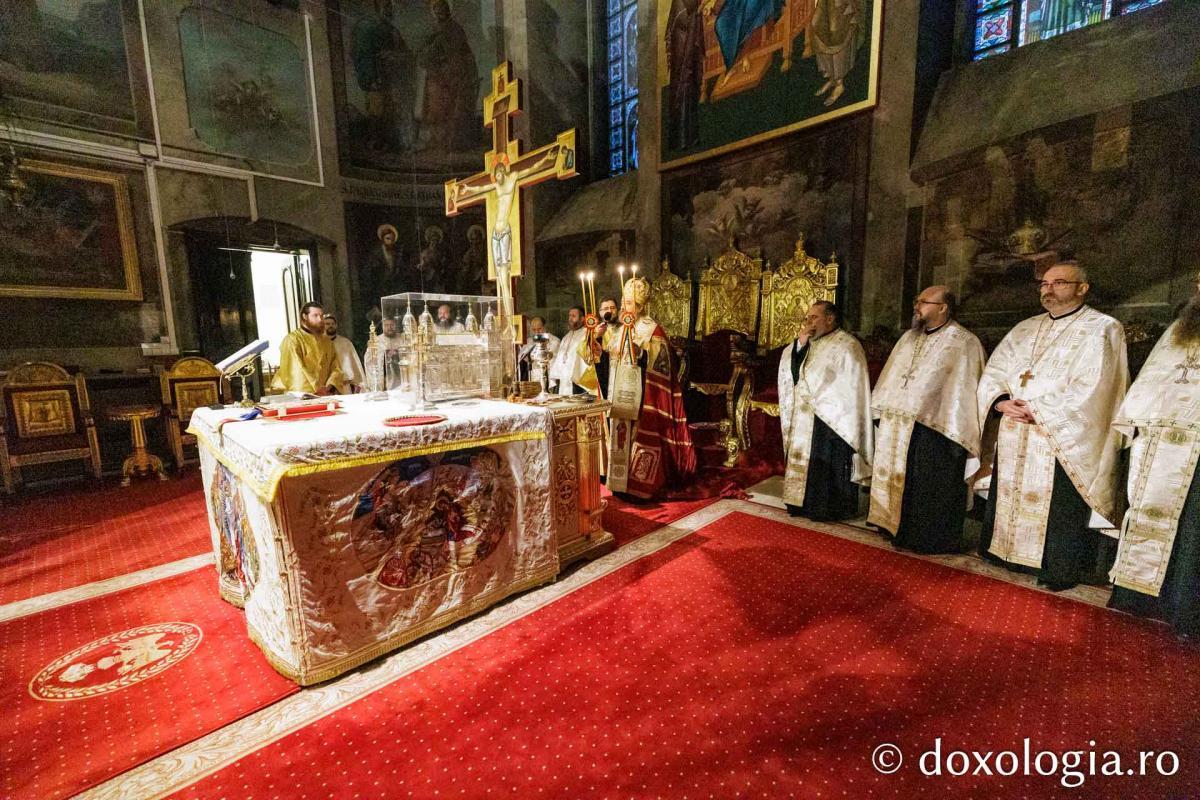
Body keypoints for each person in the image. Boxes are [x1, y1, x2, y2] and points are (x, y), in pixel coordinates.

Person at [976, 261, 1128, 591]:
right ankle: (1006, 554)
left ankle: (1055, 565)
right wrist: (1001, 402)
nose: (1048, 289)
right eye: (1044, 283)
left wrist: (1038, 409)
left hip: (1061, 434)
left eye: (1059, 283)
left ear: (1082, 288)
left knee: (1061, 502)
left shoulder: (1103, 328)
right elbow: (994, 372)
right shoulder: (1024, 328)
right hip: (1015, 429)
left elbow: (1098, 387)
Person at [1108, 277, 1200, 638]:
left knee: (1193, 531)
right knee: (1148, 512)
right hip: (1161, 439)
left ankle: (1185, 609)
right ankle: (1139, 596)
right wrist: (1134, 419)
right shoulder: (1181, 327)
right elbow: (1154, 377)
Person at [868, 286, 985, 553]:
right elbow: (891, 378)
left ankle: (930, 539)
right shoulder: (908, 339)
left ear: (943, 307)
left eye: (923, 302)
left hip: (938, 430)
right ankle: (896, 528)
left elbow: (963, 390)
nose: (916, 306)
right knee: (905, 481)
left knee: (930, 484)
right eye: (916, 300)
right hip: (899, 425)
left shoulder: (964, 342)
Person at [589, 277, 694, 499]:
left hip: (642, 396)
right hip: (618, 392)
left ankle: (639, 486)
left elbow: (663, 366)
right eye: (623, 302)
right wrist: (596, 342)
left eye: (628, 303)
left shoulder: (652, 330)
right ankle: (620, 484)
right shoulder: (619, 330)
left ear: (640, 306)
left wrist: (642, 355)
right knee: (619, 437)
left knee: (637, 437)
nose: (624, 307)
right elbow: (607, 360)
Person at [779, 301, 872, 521]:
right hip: (805, 414)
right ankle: (800, 503)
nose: (808, 322)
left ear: (830, 319)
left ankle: (828, 509)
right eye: (807, 318)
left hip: (834, 419)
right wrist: (800, 346)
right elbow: (791, 373)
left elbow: (854, 388)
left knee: (829, 461)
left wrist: (830, 404)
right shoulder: (807, 343)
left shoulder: (848, 345)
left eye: (814, 317)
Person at [271, 302, 346, 396]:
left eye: (321, 316)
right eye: (315, 315)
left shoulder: (326, 341)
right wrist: (318, 389)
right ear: (305, 316)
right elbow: (296, 370)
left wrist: (330, 386)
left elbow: (336, 366)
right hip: (301, 395)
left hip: (326, 394)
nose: (320, 319)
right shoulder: (292, 340)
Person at [804, 0, 866, 106]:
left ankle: (839, 84)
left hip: (843, 5)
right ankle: (831, 76)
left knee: (837, 33)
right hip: (826, 3)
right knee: (816, 26)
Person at [549, 306, 593, 395]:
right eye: (569, 316)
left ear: (582, 319)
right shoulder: (566, 338)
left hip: (578, 382)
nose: (570, 319)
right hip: (564, 381)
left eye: (573, 316)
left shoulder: (587, 334)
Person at [324, 313, 367, 393]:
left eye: (333, 324)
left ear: (336, 326)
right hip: (326, 386)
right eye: (327, 324)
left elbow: (355, 364)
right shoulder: (319, 344)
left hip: (344, 385)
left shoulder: (345, 343)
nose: (330, 326)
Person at [517, 316, 560, 381]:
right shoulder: (529, 341)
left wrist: (531, 357)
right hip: (533, 378)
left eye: (539, 329)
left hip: (549, 377)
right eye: (534, 330)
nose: (537, 332)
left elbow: (543, 355)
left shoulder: (554, 340)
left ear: (544, 327)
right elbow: (521, 356)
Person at [594, 297, 619, 400]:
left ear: (617, 310)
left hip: (619, 375)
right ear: (600, 312)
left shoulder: (624, 328)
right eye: (605, 309)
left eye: (613, 308)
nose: (609, 311)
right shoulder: (595, 331)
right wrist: (597, 336)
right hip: (603, 376)